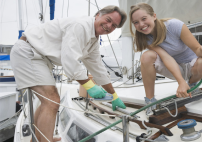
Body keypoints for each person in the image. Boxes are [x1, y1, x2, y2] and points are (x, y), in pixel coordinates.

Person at [10, 5, 126, 142]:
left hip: (39, 57)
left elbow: (98, 69)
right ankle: (44, 140)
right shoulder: (81, 26)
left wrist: (114, 95)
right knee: (52, 101)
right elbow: (69, 60)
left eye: (114, 25)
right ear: (98, 14)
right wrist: (89, 86)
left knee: (47, 101)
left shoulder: (93, 40)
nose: (109, 26)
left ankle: (38, 139)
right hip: (28, 52)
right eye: (108, 20)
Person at [129, 3, 202, 116]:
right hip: (174, 68)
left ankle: (192, 84)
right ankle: (150, 101)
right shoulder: (145, 38)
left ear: (154, 16)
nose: (141, 24)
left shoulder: (174, 25)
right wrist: (180, 82)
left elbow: (197, 49)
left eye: (144, 19)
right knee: (146, 56)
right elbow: (166, 58)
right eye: (136, 22)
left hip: (193, 65)